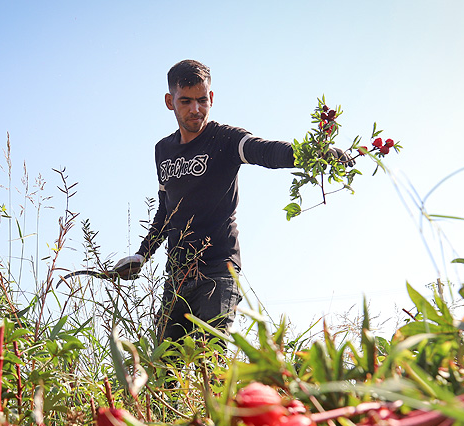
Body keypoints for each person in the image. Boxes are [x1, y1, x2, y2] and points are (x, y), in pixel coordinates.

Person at [114, 59, 350, 343]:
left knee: (210, 355)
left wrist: (312, 154)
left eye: (202, 100)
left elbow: (266, 151)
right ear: (169, 101)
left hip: (218, 271)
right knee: (164, 364)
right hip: (176, 277)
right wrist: (142, 255)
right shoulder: (163, 150)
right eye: (186, 101)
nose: (195, 109)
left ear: (211, 98)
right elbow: (166, 212)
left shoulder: (225, 139)